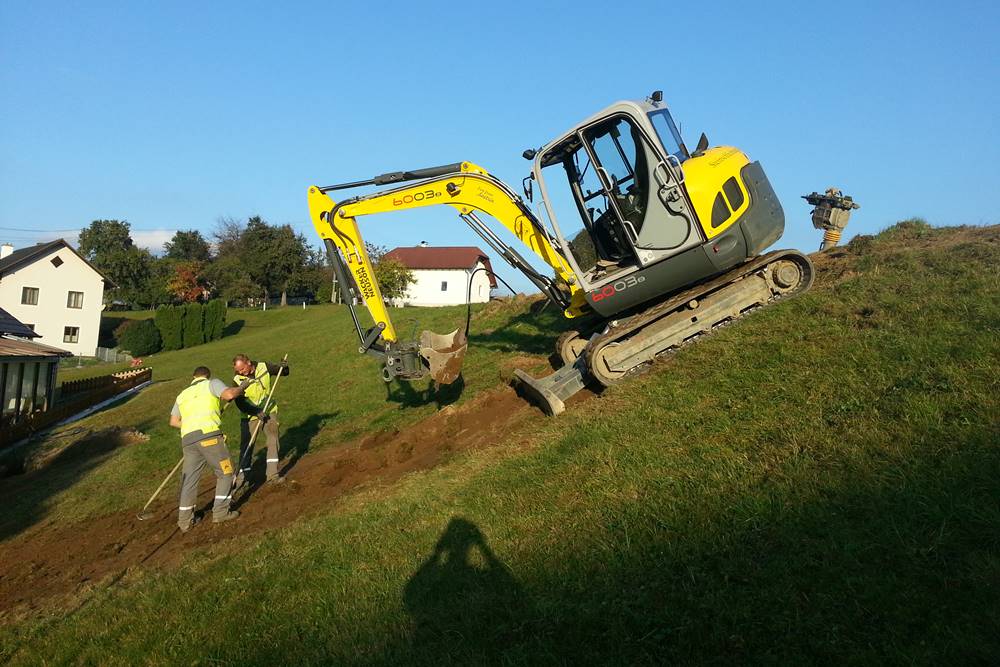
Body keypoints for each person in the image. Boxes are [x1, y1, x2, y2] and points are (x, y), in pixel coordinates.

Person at [169, 366, 249, 532]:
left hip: (189, 441)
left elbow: (174, 421)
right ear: (207, 375)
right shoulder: (211, 384)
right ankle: (220, 512)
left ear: (193, 377)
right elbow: (229, 395)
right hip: (209, 437)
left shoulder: (182, 395)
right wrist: (241, 388)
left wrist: (193, 425)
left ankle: (184, 521)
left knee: (189, 480)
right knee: (226, 472)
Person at [232, 354, 290, 487]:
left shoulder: (264, 367)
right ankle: (240, 481)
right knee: (247, 448)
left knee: (273, 439)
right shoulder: (237, 380)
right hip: (250, 417)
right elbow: (240, 403)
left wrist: (285, 367)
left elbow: (283, 372)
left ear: (248, 362)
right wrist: (256, 412)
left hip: (269, 411)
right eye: (238, 370)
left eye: (242, 369)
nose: (240, 372)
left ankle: (272, 476)